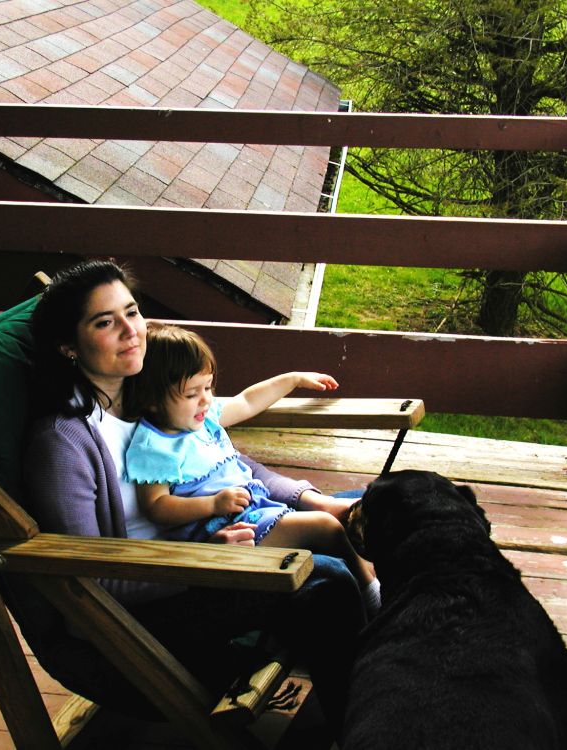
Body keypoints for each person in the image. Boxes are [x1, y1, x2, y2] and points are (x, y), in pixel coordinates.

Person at [20, 259, 366, 739]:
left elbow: (230, 466)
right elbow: (92, 581)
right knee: (324, 579)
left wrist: (313, 499)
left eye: (132, 312)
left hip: (218, 542)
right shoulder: (64, 443)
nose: (131, 331)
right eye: (104, 322)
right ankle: (362, 722)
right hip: (157, 601)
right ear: (68, 347)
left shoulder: (152, 393)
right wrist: (203, 560)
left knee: (377, 505)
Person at [123, 322, 380, 613]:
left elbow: (247, 401)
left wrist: (293, 379)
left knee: (362, 510)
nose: (205, 399)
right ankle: (371, 591)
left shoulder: (203, 419)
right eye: (192, 393)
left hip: (255, 509)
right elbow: (156, 506)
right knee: (326, 527)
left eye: (208, 387)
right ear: (152, 400)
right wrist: (212, 504)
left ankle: (370, 581)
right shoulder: (154, 447)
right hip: (228, 531)